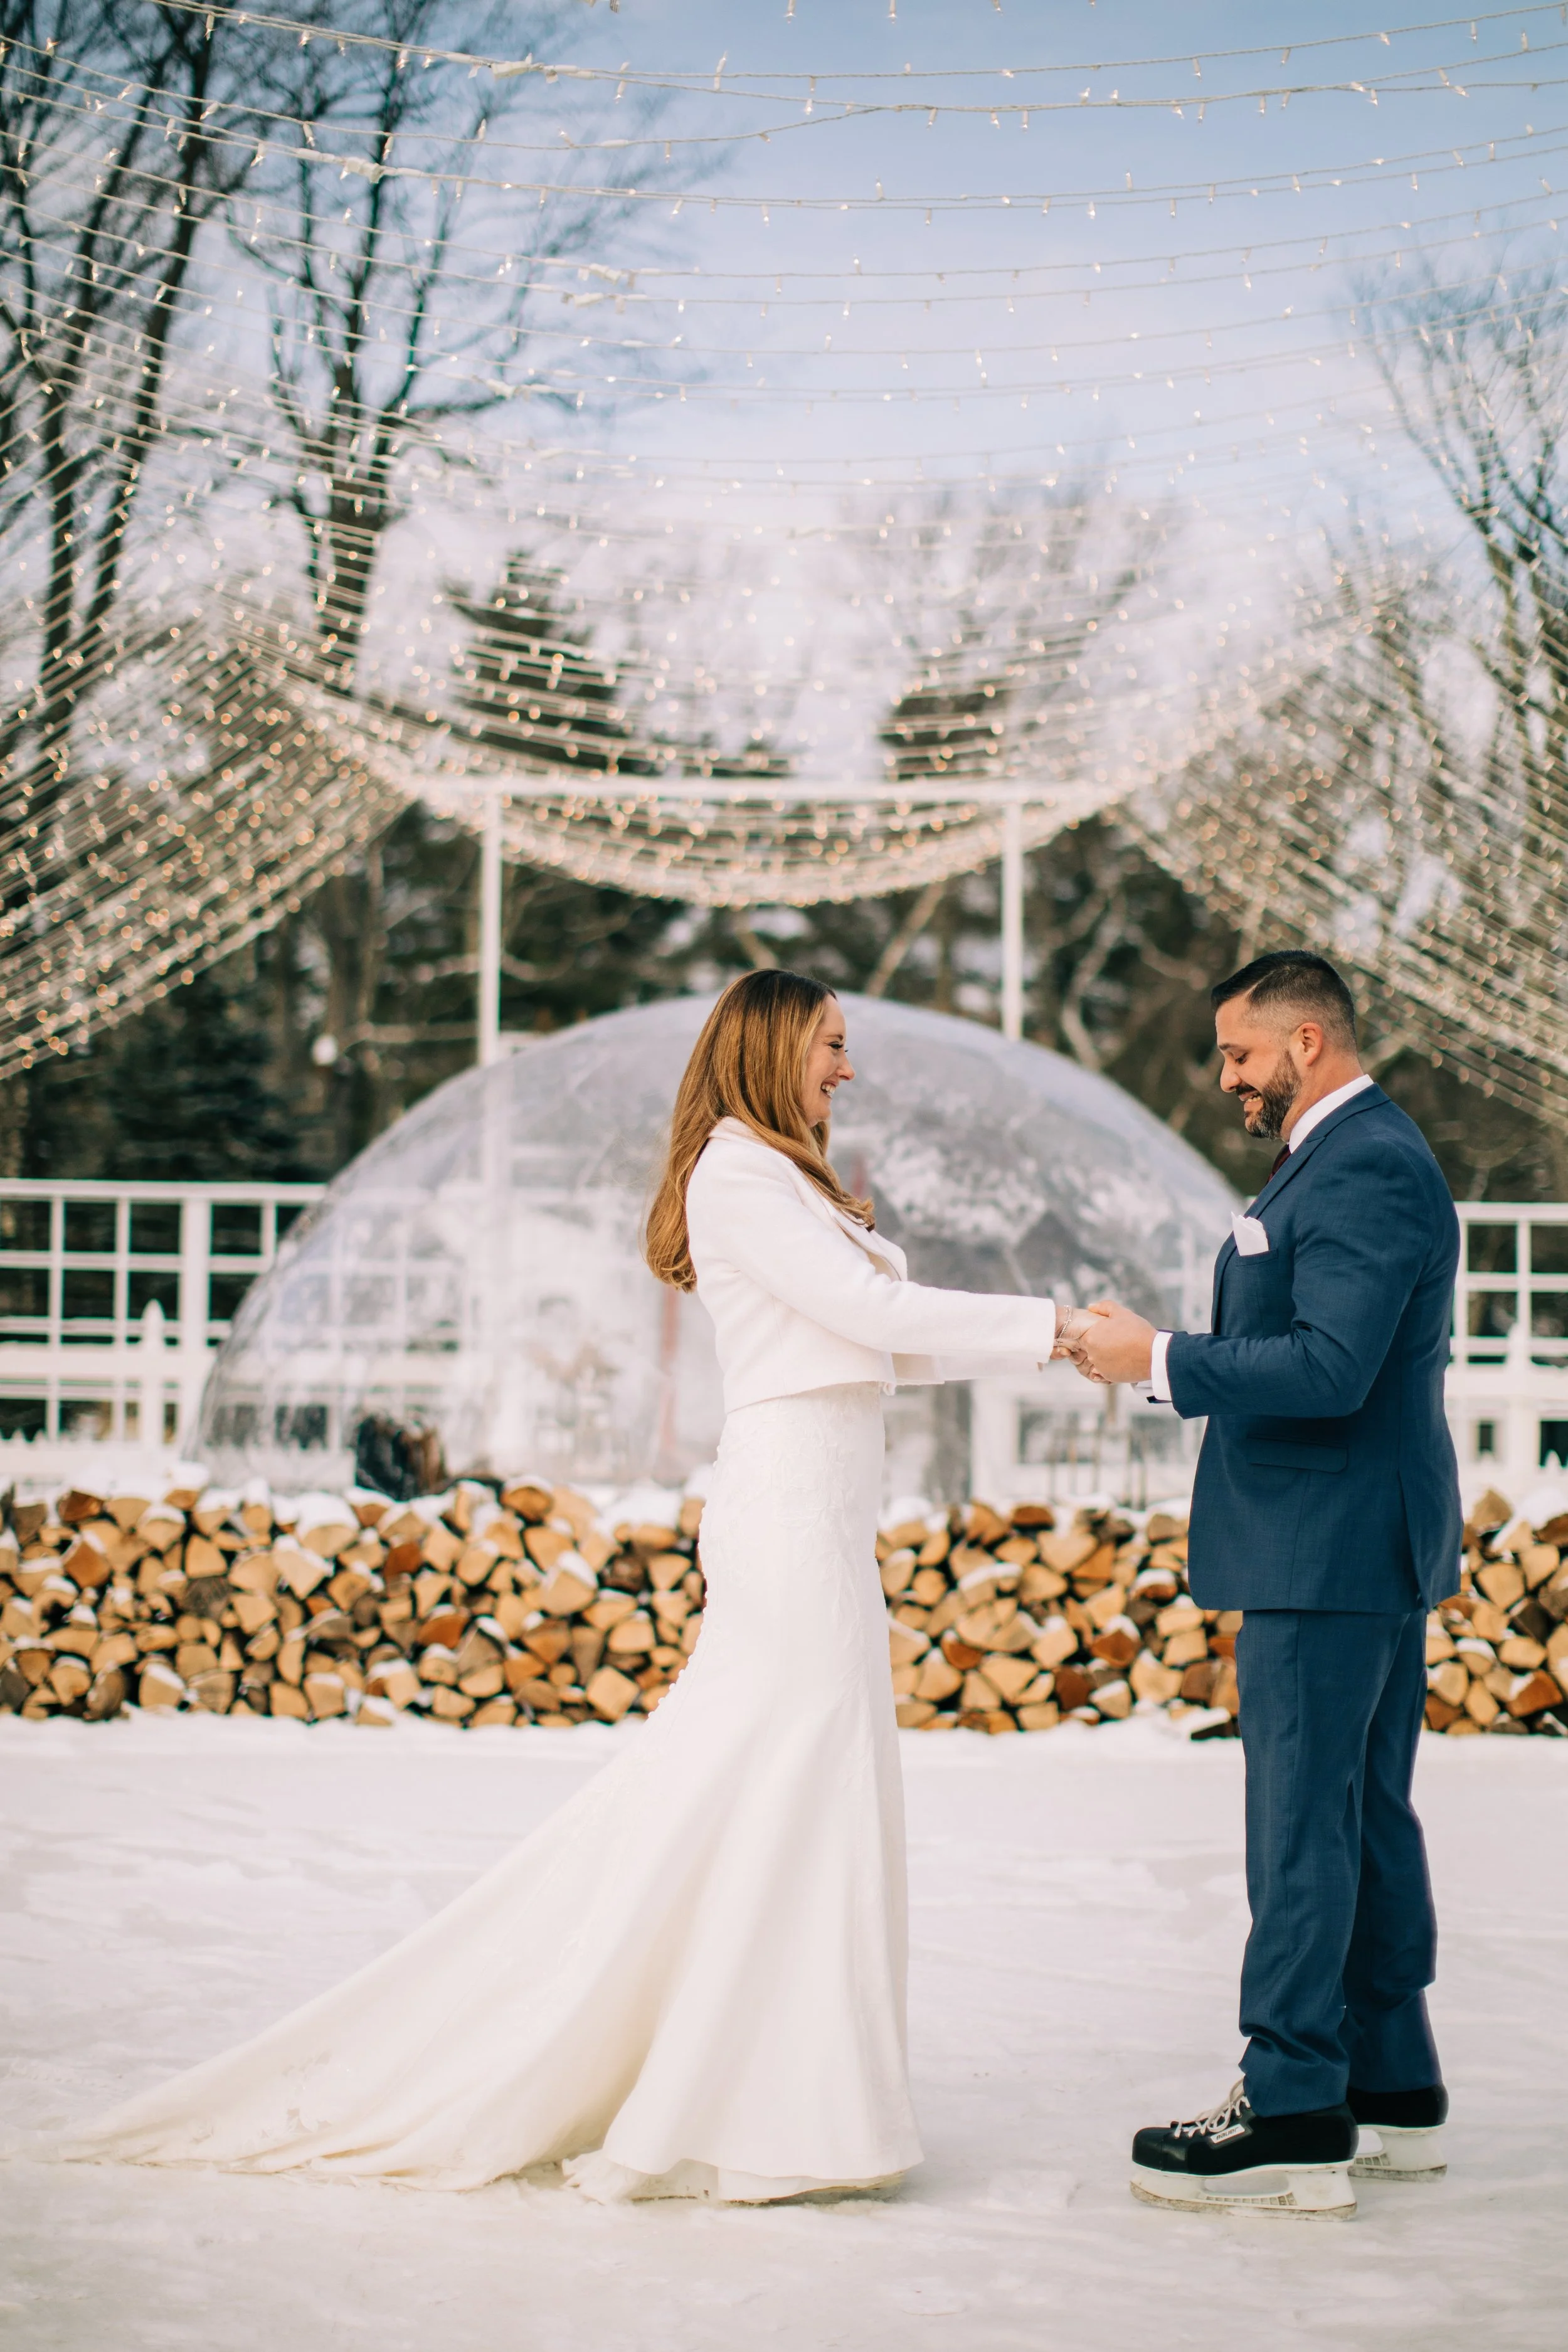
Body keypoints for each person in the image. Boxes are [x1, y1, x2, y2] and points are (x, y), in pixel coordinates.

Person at [56, 970, 1090, 2205]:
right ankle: (740, 2098)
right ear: (770, 1048)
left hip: (819, 1512)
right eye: (829, 1044)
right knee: (773, 1781)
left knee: (789, 1789)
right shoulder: (737, 1174)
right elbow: (860, 1306)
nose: (845, 1069)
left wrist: (1054, 1345)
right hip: (784, 1516)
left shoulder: (777, 1174)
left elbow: (877, 1338)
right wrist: (1053, 1327)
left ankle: (784, 2094)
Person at [1071, 951, 1461, 2221]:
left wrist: (1162, 1357)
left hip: (1326, 1548)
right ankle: (1389, 2084)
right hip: (1345, 1542)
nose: (1225, 1077)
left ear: (1306, 1042)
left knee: (1300, 1826)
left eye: (1239, 1054)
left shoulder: (1361, 1164)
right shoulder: (1352, 1157)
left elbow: (1330, 1366)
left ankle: (1293, 2101)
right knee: (1351, 1812)